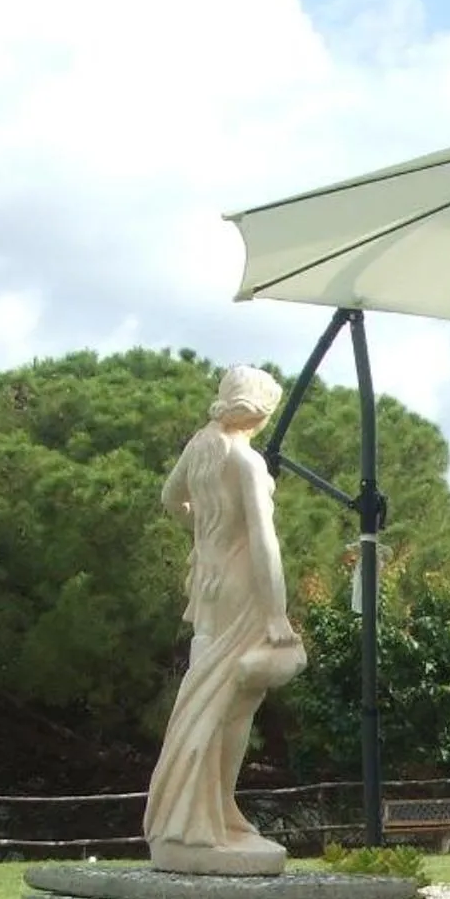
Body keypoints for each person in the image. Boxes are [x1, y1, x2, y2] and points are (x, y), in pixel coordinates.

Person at [143, 366, 307, 872]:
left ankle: (207, 813)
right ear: (262, 411)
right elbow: (264, 541)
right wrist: (276, 613)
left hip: (208, 583)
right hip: (243, 586)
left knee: (206, 693)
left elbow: (171, 499)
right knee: (234, 702)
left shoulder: (201, 446)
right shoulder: (246, 461)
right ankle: (214, 810)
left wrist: (207, 528)